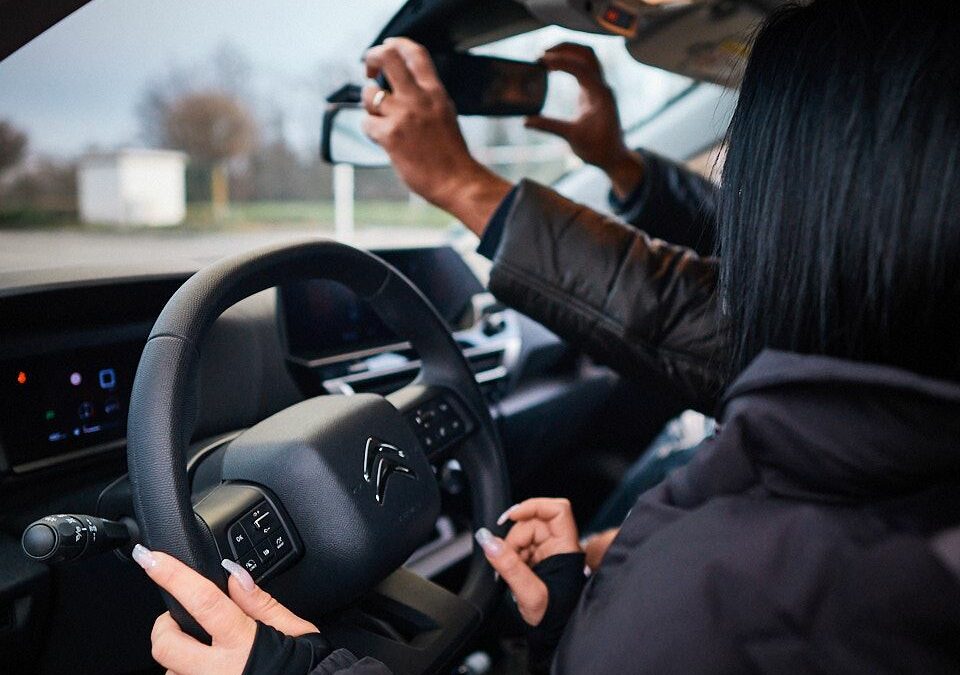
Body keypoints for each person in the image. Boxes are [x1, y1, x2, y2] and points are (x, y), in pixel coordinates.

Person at [134, 0, 960, 672]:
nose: (730, 226)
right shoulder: (875, 512)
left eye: (743, 180)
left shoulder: (733, 599)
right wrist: (578, 602)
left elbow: (676, 306)